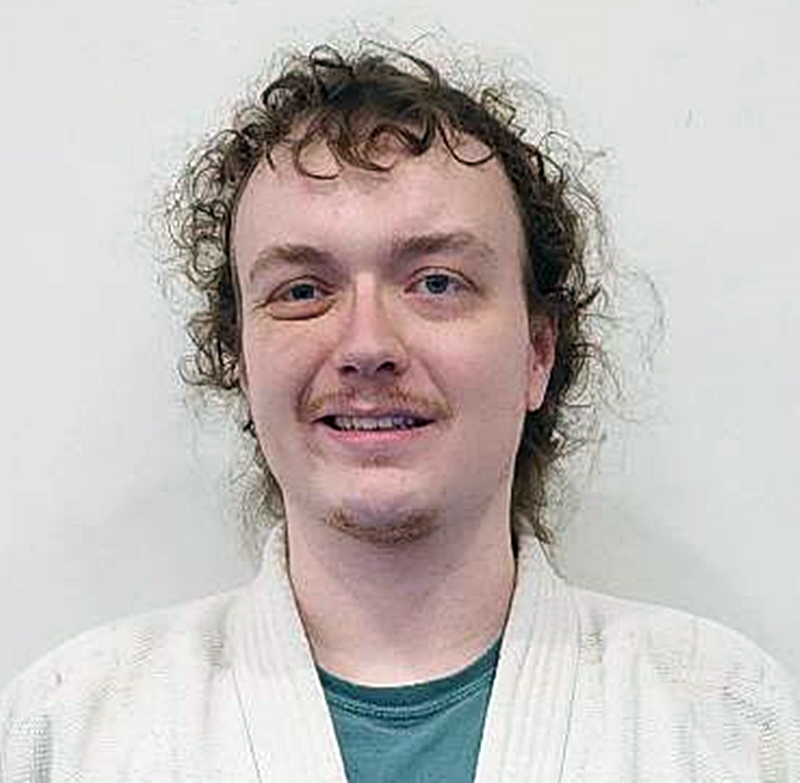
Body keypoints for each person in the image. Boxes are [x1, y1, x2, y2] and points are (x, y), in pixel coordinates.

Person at [1, 42, 798, 782]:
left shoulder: (725, 724)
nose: (367, 345)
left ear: (537, 352)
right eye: (302, 291)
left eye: (438, 282)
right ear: (240, 360)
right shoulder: (72, 734)